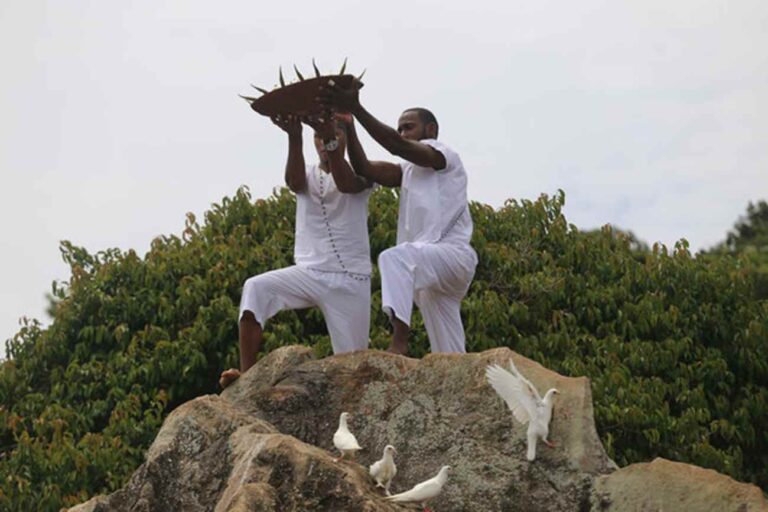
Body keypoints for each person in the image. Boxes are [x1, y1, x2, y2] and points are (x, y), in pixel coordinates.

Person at [319, 82, 477, 355]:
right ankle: (462, 380)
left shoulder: (444, 155)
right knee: (449, 353)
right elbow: (364, 167)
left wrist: (357, 107)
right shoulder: (407, 170)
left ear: (430, 130)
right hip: (433, 270)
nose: (403, 132)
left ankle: (399, 343)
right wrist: (350, 124)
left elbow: (395, 144)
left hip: (451, 255)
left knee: (394, 257)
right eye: (401, 127)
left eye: (409, 126)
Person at [219, 113, 374, 388]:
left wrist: (332, 143)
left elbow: (346, 183)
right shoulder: (307, 174)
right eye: (317, 136)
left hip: (351, 279)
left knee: (353, 366)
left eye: (332, 136)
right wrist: (294, 136)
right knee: (255, 288)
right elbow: (294, 183)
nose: (322, 142)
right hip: (310, 271)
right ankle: (248, 376)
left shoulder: (361, 172)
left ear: (345, 139)